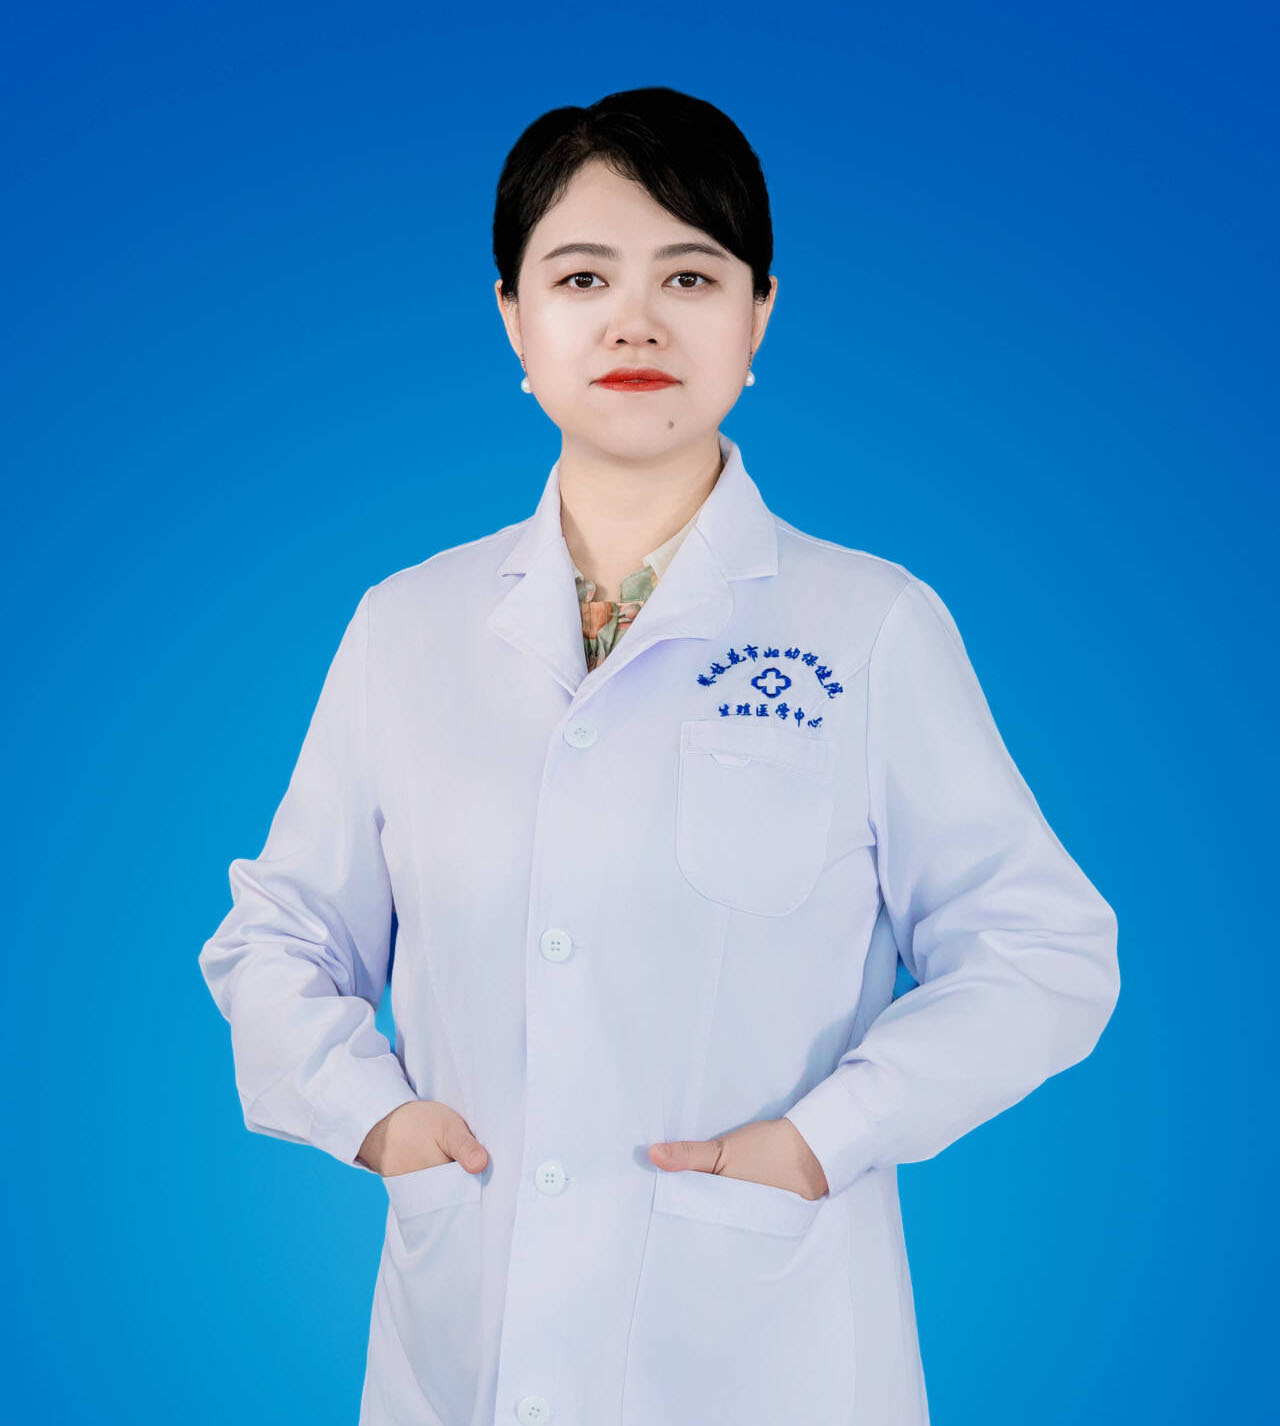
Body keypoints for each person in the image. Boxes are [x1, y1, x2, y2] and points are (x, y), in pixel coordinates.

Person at [198, 85, 1120, 1426]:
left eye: (690, 274)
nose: (635, 319)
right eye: (582, 277)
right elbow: (278, 935)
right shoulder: (407, 629)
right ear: (514, 319)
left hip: (769, 1353)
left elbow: (1044, 951)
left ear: (758, 316)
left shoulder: (869, 625)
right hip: (468, 1347)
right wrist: (376, 1119)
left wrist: (825, 1141)